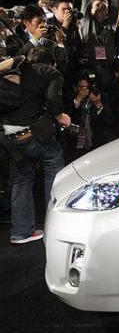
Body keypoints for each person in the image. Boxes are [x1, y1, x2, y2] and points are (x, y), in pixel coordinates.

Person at [2, 43, 71, 244]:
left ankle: (21, 232)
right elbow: (52, 99)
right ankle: (54, 225)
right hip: (27, 133)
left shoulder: (17, 70)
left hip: (6, 134)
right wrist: (60, 115)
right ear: (51, 61)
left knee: (22, 176)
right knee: (54, 156)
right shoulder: (51, 72)